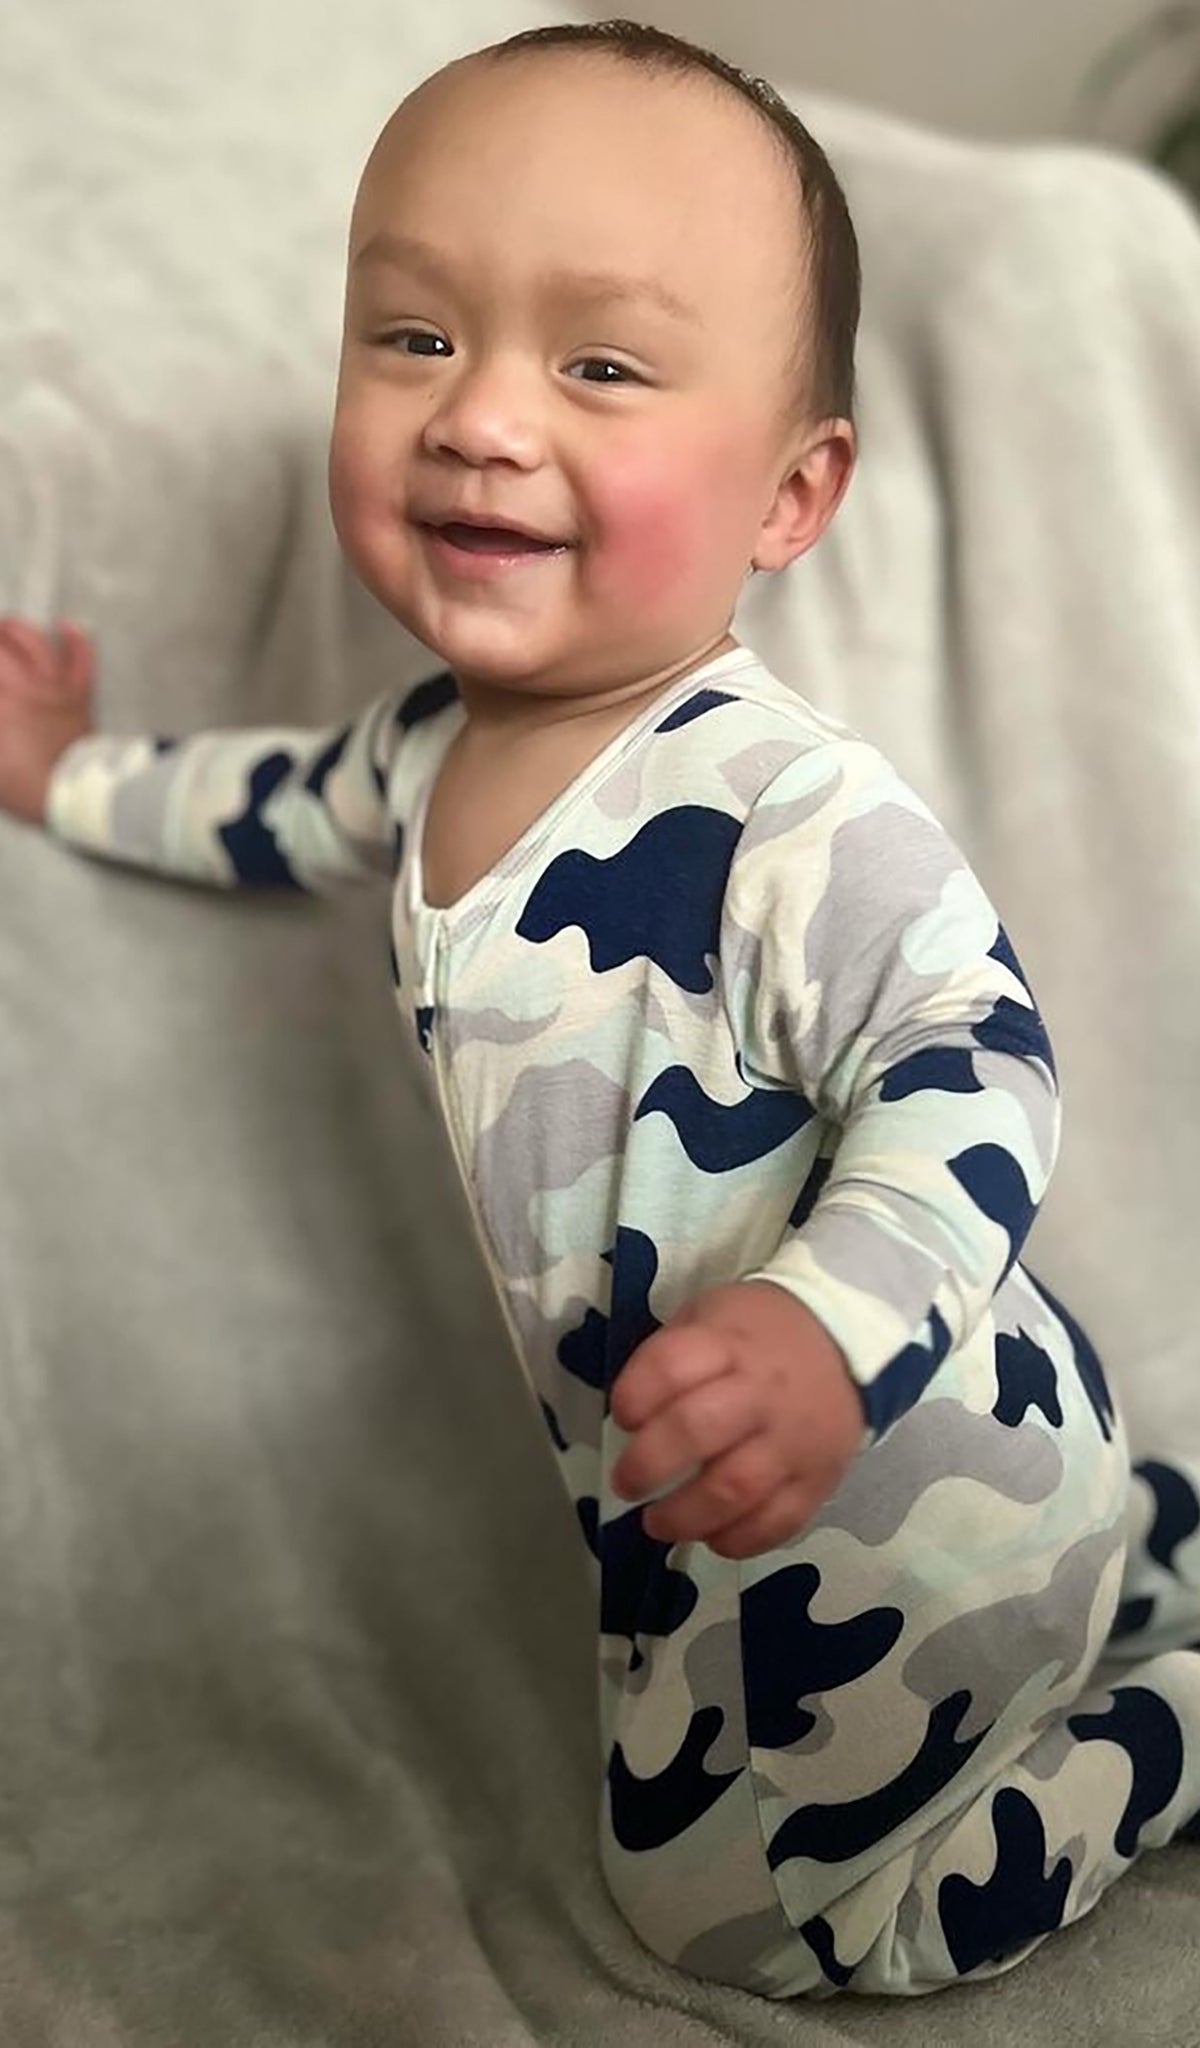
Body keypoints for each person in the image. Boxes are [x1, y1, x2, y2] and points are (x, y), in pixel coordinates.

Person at [1, 15, 1198, 2002]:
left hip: (876, 1484)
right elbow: (260, 801)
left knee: (747, 1923)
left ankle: (1155, 1721)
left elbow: (976, 1067)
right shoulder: (417, 753)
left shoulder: (784, 803)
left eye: (603, 366)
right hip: (695, 1481)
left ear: (788, 495)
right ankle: (1141, 1549)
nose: (477, 416)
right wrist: (61, 775)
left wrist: (826, 1334)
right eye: (412, 336)